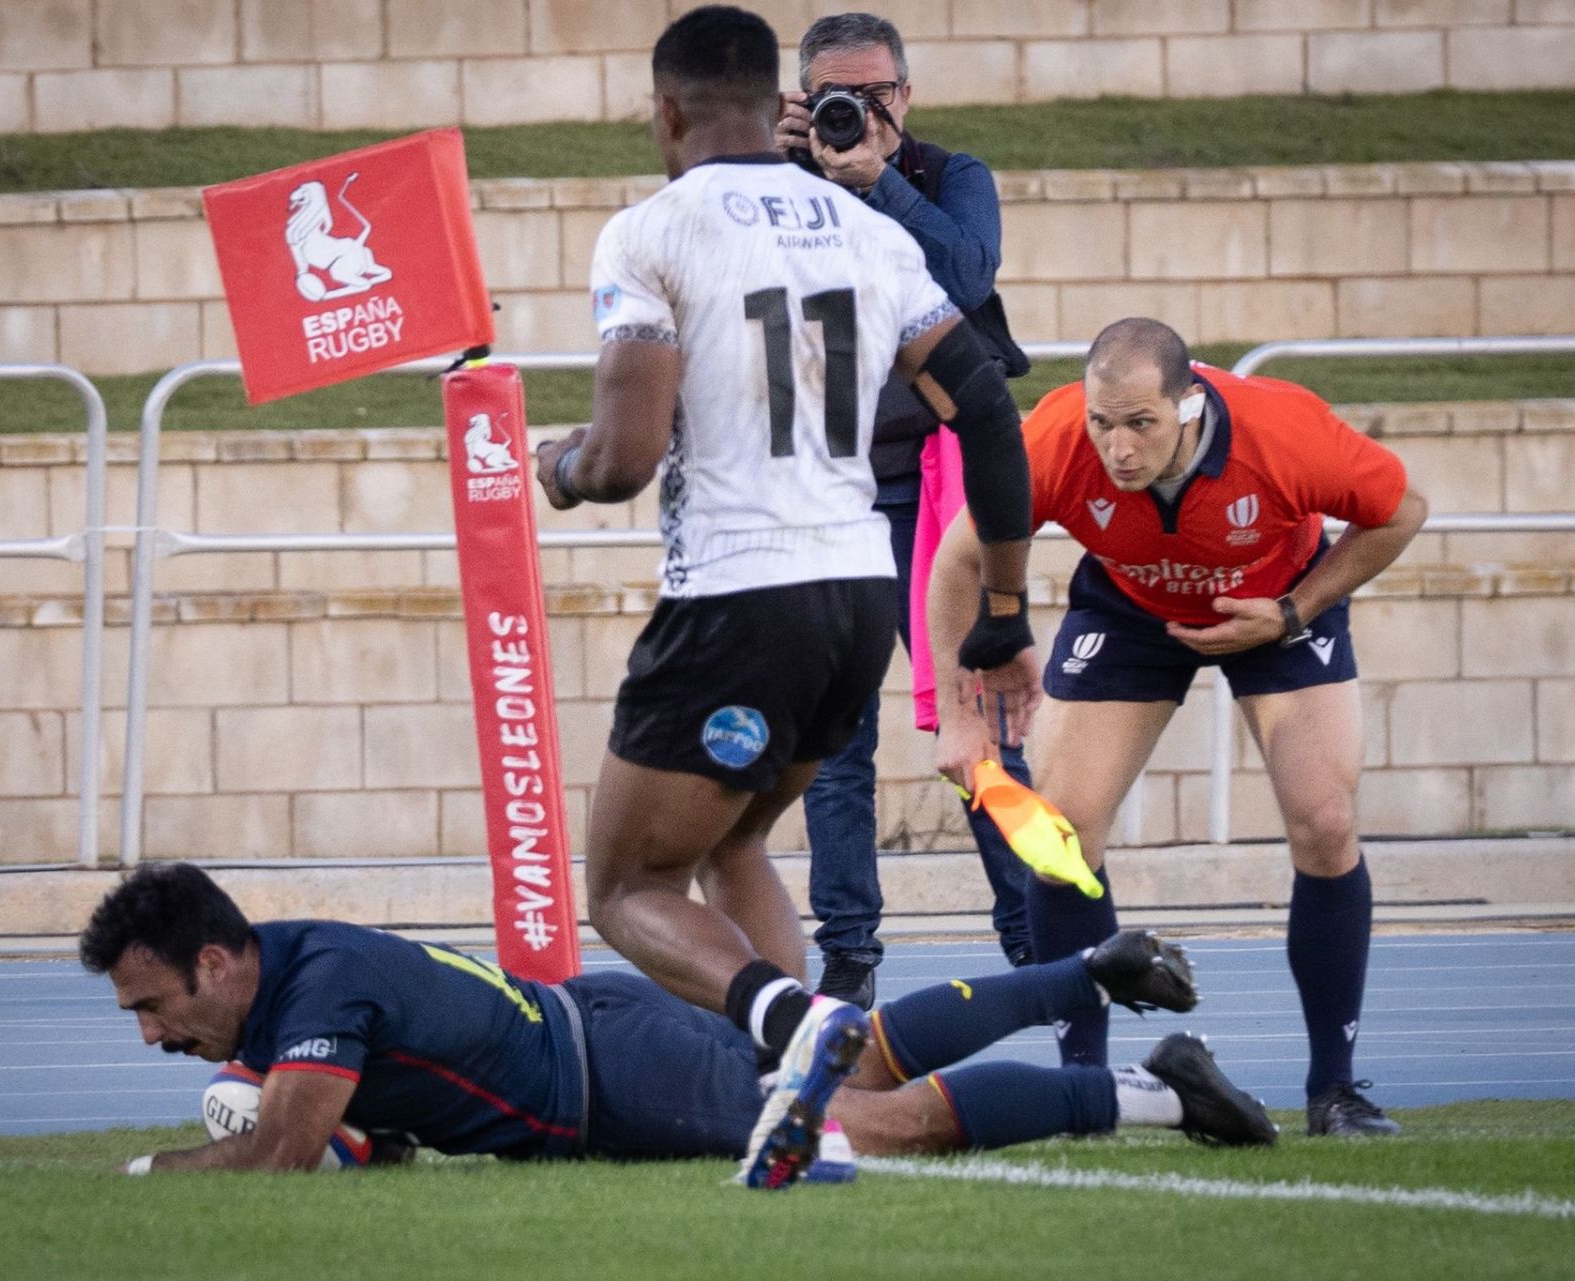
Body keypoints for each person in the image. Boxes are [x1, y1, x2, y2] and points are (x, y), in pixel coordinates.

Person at [530, 6, 1042, 1176]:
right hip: (860, 589)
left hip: (736, 592)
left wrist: (553, 467)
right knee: (739, 841)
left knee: (624, 884)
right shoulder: (867, 230)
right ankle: (824, 1103)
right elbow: (992, 410)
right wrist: (1004, 610)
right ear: (782, 109)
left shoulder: (647, 232)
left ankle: (800, 1027)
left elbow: (621, 457)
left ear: (665, 113)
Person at [930, 317, 1429, 1138]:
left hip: (1274, 601)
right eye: (1103, 423)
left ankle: (1334, 1090)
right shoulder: (1053, 438)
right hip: (1132, 606)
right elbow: (957, 559)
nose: (1117, 448)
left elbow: (1402, 509)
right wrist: (956, 719)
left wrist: (1293, 610)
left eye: (1140, 425)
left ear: (1189, 404)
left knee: (1327, 822)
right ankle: (1084, 1089)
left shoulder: (1283, 431)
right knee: (1058, 834)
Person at [83, 862, 1277, 1180]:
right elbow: (362, 1127)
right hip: (605, 1024)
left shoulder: (317, 993)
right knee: (856, 1047)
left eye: (154, 1007)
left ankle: (1158, 1092)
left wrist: (156, 1165)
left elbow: (286, 1148)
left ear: (215, 960)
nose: (149, 1035)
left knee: (869, 1125)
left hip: (615, 1078)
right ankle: (1089, 973)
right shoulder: (297, 963)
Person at [774, 11, 1035, 1009]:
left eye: (877, 93)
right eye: (837, 95)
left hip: (938, 490)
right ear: (800, 98)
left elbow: (966, 277)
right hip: (831, 488)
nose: (859, 110)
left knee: (979, 723)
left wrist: (874, 179)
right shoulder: (772, 189)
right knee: (835, 744)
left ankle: (1029, 927)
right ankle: (849, 952)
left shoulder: (945, 174)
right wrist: (793, 168)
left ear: (906, 95)